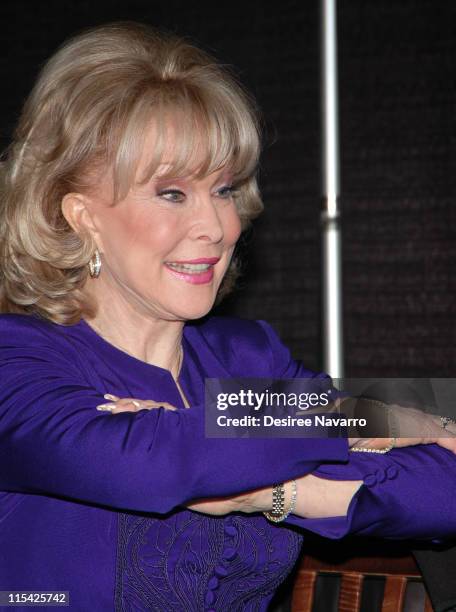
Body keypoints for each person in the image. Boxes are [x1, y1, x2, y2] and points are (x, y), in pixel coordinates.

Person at [1, 21, 456, 611]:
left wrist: (270, 492)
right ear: (81, 215)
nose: (216, 227)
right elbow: (152, 462)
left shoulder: (246, 356)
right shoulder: (19, 357)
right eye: (172, 193)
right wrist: (386, 419)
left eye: (223, 189)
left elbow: (443, 491)